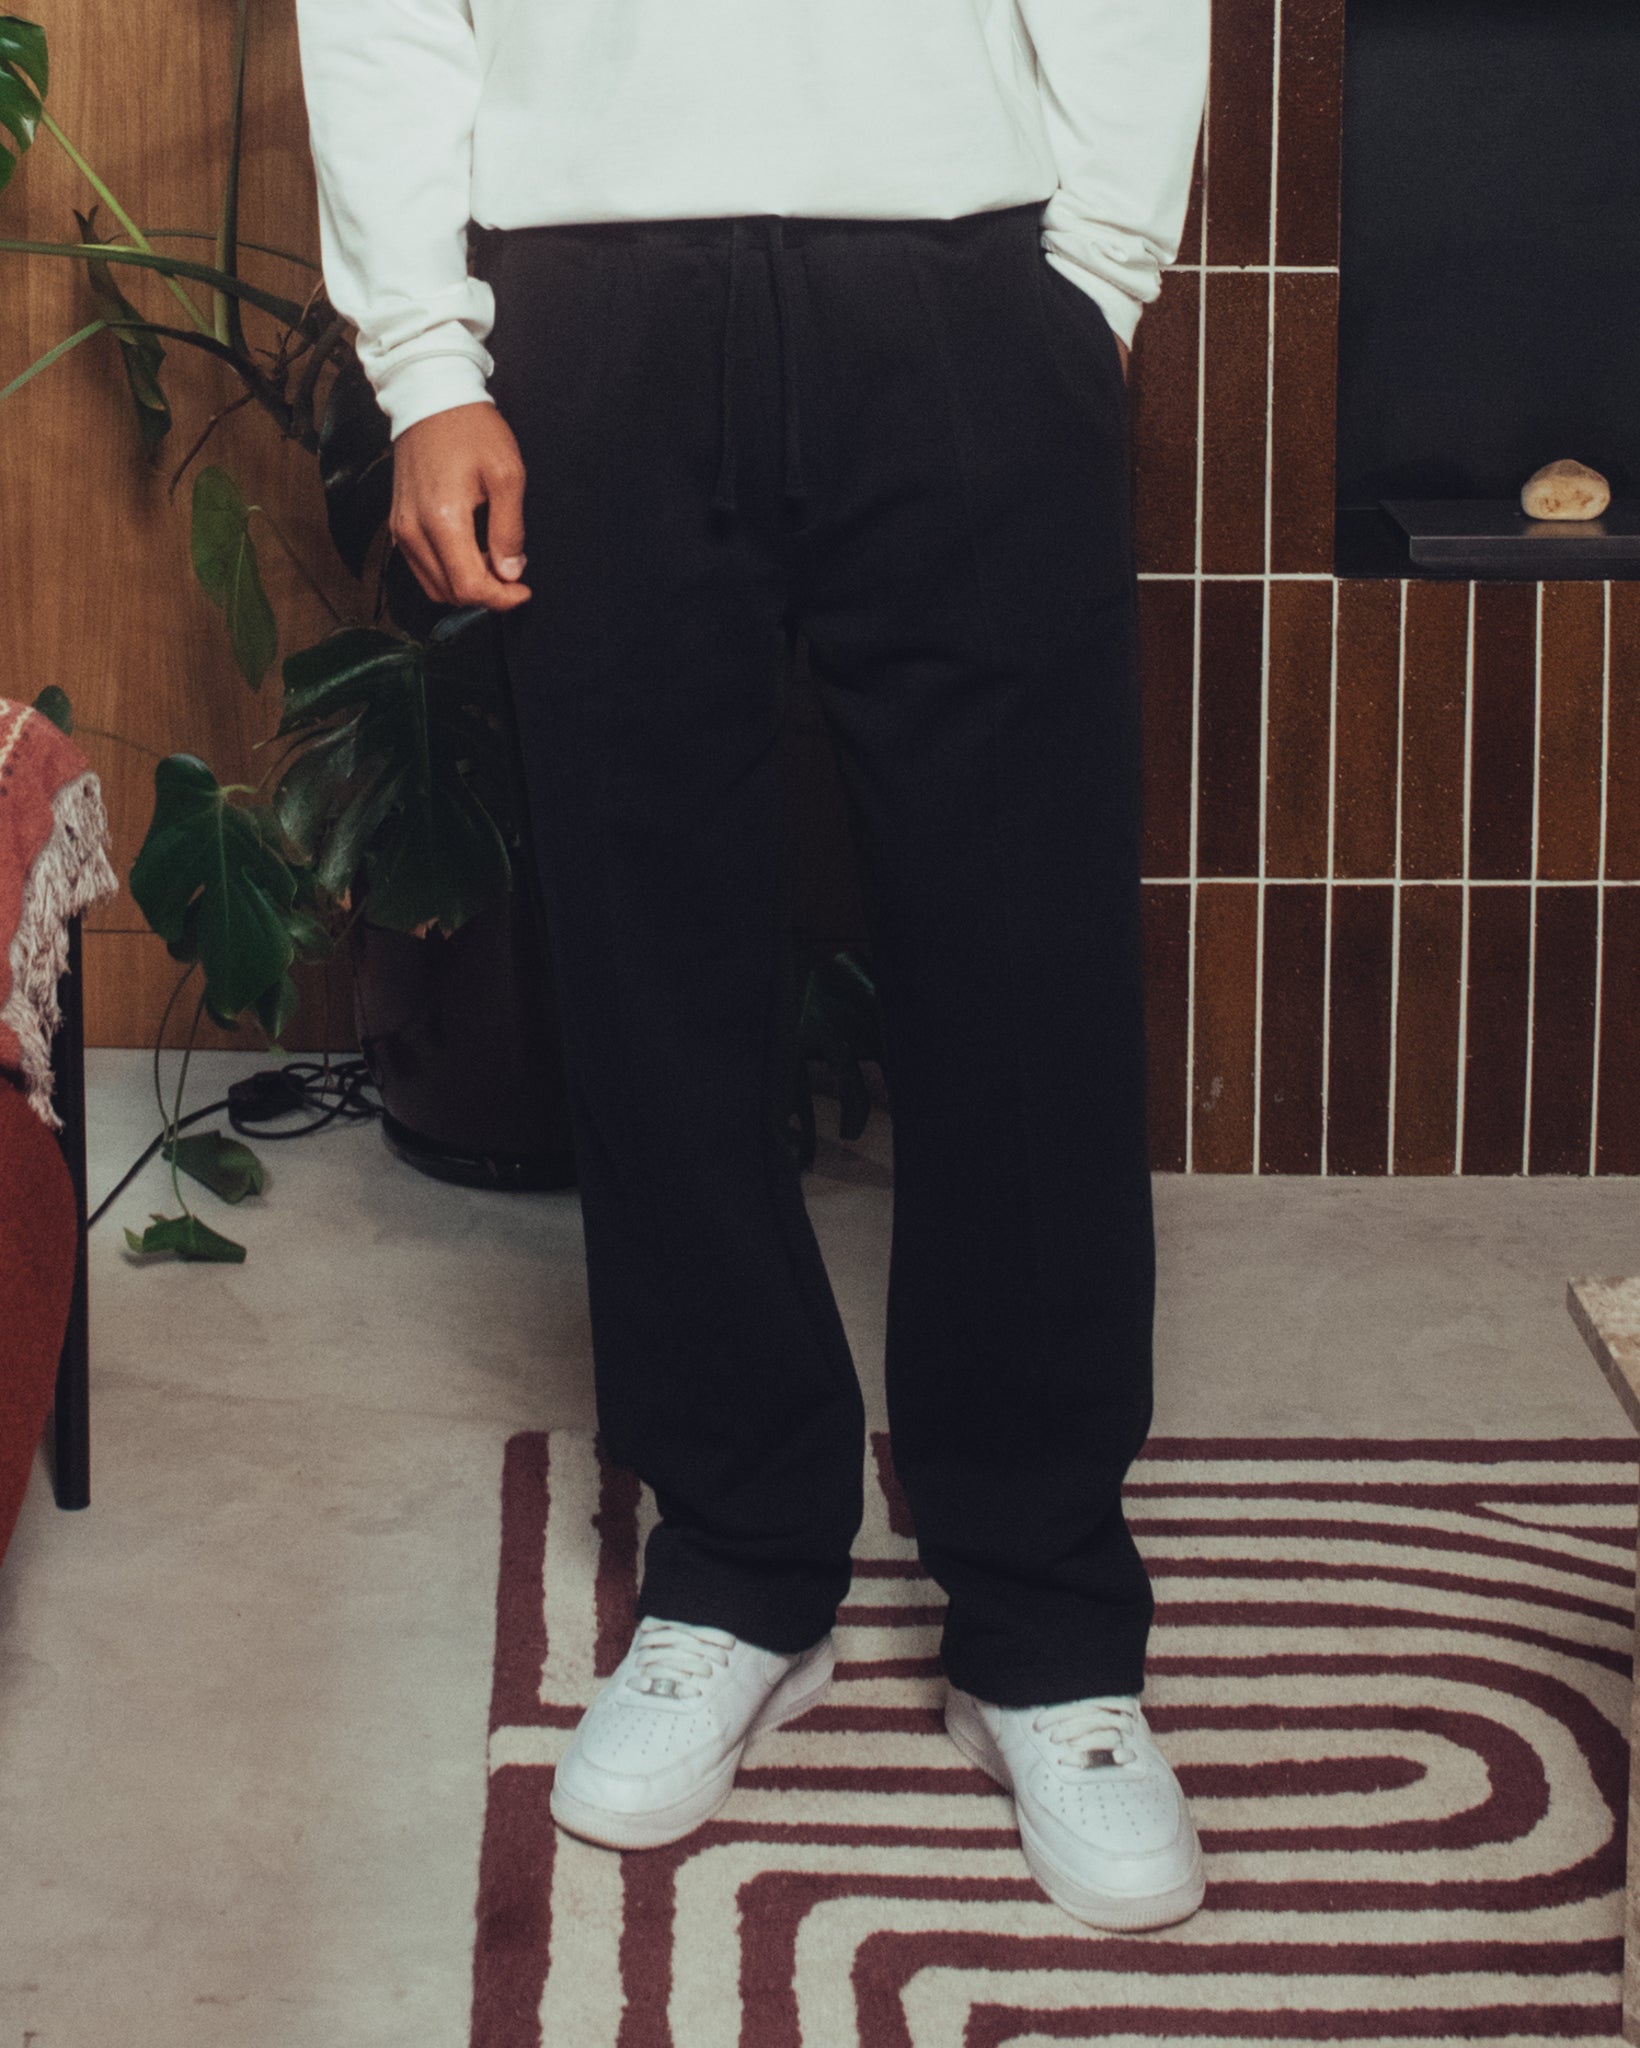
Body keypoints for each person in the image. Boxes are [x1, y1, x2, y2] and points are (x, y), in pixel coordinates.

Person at [294, 0, 1211, 1932]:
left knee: (1025, 966)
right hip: (589, 300)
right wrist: (427, 361)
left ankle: (1046, 1618)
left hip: (967, 279)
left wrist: (1098, 274)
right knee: (648, 962)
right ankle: (736, 1564)